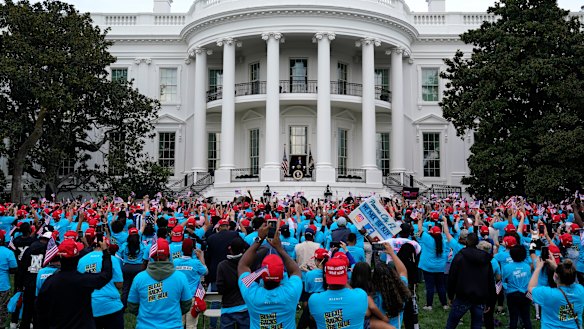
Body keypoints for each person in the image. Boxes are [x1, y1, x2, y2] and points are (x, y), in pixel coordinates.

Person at [36, 239, 113, 329]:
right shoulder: (83, 280)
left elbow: (40, 309)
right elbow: (106, 275)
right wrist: (105, 252)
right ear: (77, 258)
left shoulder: (50, 282)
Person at [238, 223, 302, 329]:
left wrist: (259, 239)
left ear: (261, 275)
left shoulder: (251, 292)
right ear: (282, 276)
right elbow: (295, 271)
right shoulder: (291, 292)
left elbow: (243, 265)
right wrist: (280, 249)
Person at [128, 238, 193, 329]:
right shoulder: (180, 277)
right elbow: (186, 304)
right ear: (169, 255)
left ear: (151, 256)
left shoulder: (139, 278)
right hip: (173, 325)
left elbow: (132, 306)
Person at [445, 233, 496, 329]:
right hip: (479, 297)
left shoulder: (460, 257)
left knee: (451, 324)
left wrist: (450, 295)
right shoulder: (484, 259)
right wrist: (490, 301)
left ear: (466, 241)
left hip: (463, 296)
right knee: (476, 324)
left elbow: (452, 277)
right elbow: (491, 282)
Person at [308, 253, 368, 329]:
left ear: (325, 276)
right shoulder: (361, 295)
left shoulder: (314, 299)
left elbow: (313, 317)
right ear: (346, 276)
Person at [77, 237, 124, 329]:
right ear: (106, 246)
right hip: (111, 306)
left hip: (89, 305)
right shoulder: (112, 259)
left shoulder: (82, 260)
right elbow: (119, 284)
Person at [529, 258, 584, 329]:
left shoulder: (548, 294)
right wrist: (556, 266)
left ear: (555, 276)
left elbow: (531, 288)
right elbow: (568, 277)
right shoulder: (580, 290)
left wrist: (538, 268)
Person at [372, 243, 411, 329]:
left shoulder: (374, 296)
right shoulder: (401, 288)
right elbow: (403, 271)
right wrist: (392, 253)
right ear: (393, 274)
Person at [173, 238, 208, 329]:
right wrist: (201, 257)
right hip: (191, 297)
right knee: (191, 326)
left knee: (178, 325)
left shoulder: (175, 262)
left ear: (182, 249)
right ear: (193, 249)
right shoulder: (196, 263)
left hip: (178, 298)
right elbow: (205, 272)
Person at [216, 237, 250, 329]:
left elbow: (220, 288)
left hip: (228, 308)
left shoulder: (222, 266)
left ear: (230, 248)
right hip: (244, 307)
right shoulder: (247, 265)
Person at [417, 220, 448, 310]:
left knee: (429, 286)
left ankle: (429, 305)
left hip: (428, 267)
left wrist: (420, 219)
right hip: (441, 267)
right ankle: (444, 304)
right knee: (441, 286)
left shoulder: (428, 239)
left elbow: (420, 230)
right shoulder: (443, 240)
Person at [501, 245, 532, 329]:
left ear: (511, 255)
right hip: (526, 294)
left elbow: (504, 280)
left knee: (513, 318)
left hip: (512, 294)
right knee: (526, 317)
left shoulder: (506, 267)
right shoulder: (527, 267)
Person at [118, 227, 145, 308]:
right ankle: (139, 305)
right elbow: (144, 257)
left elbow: (121, 255)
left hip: (127, 268)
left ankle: (123, 305)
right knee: (139, 287)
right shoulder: (141, 245)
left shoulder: (124, 245)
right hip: (138, 268)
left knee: (126, 287)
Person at [0, 230, 16, 327]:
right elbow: (14, 269)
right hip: (3, 285)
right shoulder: (8, 252)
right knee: (2, 309)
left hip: (4, 284)